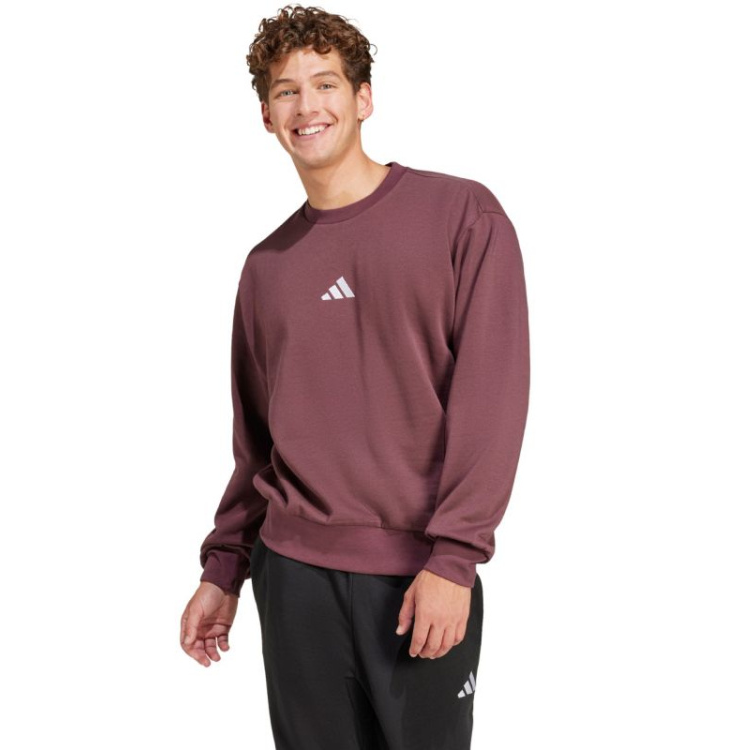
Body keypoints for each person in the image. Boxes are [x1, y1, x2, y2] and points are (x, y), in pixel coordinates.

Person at [180, 4, 530, 748]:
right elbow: (257, 443)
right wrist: (224, 569)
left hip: (418, 578)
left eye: (326, 83)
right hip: (293, 579)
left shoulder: (461, 214)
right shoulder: (266, 268)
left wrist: (454, 558)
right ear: (267, 117)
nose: (307, 105)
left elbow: (492, 399)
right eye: (285, 91)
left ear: (364, 98)